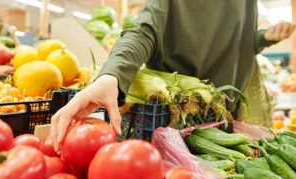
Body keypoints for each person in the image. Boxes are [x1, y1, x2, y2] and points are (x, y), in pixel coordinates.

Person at [51, 0, 295, 150]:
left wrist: (262, 38)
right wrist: (111, 75)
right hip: (172, 119)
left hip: (227, 112)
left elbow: (234, 42)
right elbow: (144, 32)